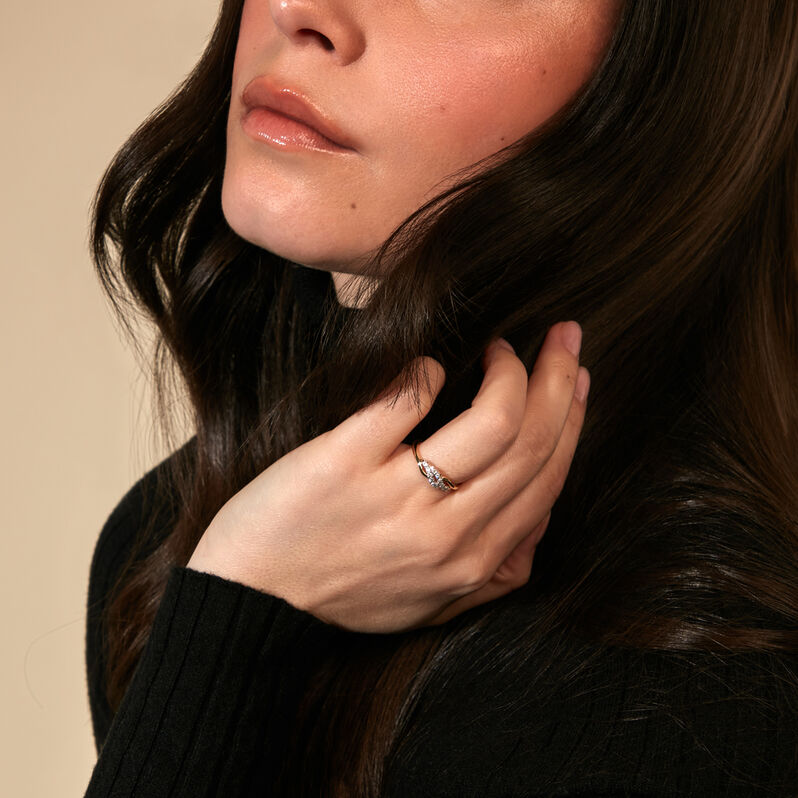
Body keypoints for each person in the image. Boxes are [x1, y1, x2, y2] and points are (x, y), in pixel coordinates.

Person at [84, 0, 798, 795]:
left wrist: (234, 613)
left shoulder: (694, 709)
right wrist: (241, 599)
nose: (300, 9)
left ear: (667, 80)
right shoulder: (173, 538)